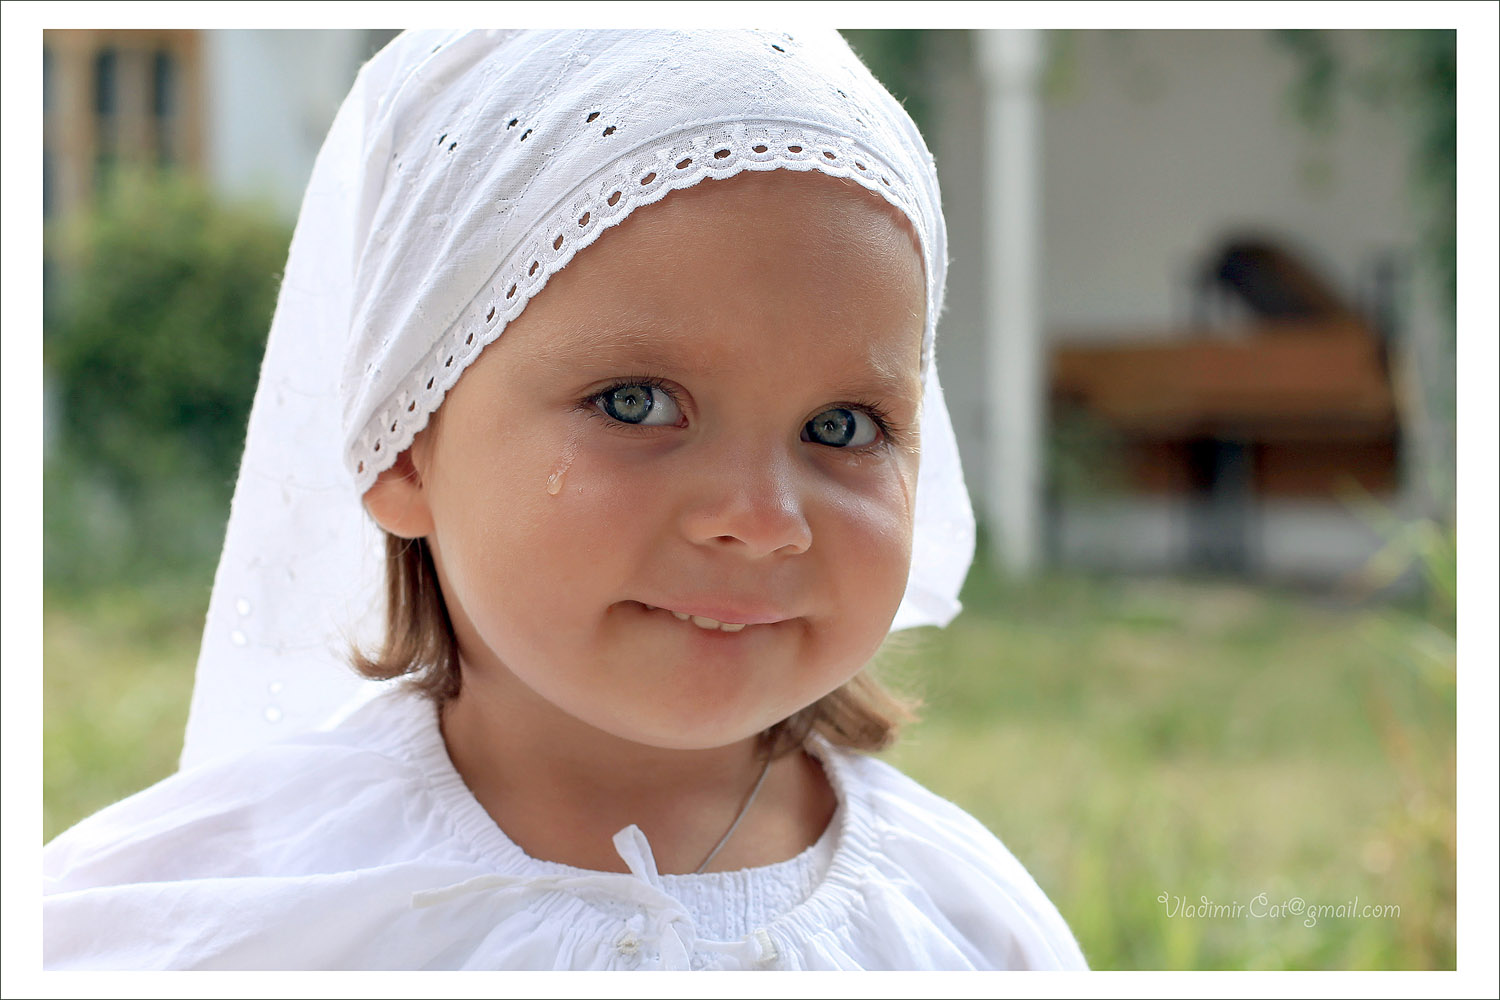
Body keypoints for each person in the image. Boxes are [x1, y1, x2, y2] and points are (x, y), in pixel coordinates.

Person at [43, 28, 1088, 971]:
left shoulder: (966, 928)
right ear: (405, 439)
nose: (762, 517)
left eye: (844, 427)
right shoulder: (199, 922)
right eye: (637, 403)